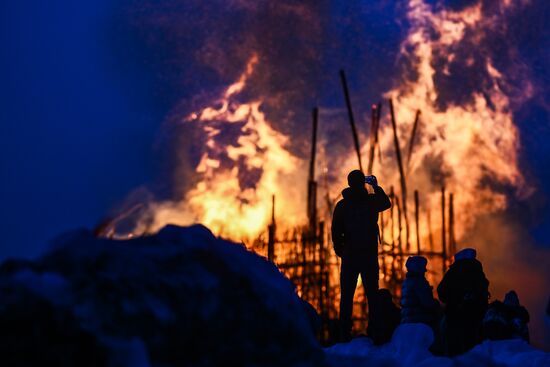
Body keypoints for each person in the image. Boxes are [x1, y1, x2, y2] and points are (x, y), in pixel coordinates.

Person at [331, 170, 391, 341]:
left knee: (347, 296)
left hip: (350, 257)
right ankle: (376, 332)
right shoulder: (371, 201)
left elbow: (336, 231)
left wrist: (341, 251)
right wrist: (376, 186)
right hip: (368, 257)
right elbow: (386, 203)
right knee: (372, 295)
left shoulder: (342, 205)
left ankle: (344, 334)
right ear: (362, 183)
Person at [437, 248, 490, 356]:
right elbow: (483, 294)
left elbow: (442, 292)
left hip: (455, 317)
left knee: (455, 349)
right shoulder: (479, 273)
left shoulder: (454, 272)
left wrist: (454, 301)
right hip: (476, 317)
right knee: (473, 348)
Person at [401, 256, 441, 327]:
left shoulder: (407, 281)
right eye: (423, 267)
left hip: (409, 321)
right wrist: (436, 304)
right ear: (418, 268)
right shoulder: (418, 283)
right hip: (420, 322)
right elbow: (426, 302)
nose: (425, 270)